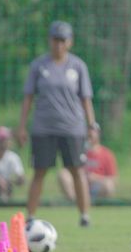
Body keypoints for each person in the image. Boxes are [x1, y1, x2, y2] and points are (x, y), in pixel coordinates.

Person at [18, 21, 97, 227]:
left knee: (77, 170)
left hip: (72, 127)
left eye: (63, 41)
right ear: (50, 41)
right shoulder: (39, 66)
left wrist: (92, 125)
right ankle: (31, 217)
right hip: (43, 128)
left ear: (69, 42)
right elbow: (28, 97)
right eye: (55, 40)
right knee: (40, 171)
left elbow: (86, 98)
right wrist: (21, 126)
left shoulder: (78, 66)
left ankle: (84, 215)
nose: (58, 45)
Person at [58, 127, 116, 200]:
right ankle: (74, 201)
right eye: (87, 132)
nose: (89, 134)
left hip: (96, 186)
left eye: (92, 132)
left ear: (98, 134)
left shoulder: (107, 154)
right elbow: (69, 170)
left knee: (109, 185)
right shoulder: (79, 151)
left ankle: (96, 202)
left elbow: (113, 179)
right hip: (79, 183)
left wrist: (95, 178)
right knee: (63, 174)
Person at [0, 126, 25, 202]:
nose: (6, 142)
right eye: (3, 140)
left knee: (7, 184)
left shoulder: (13, 157)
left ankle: (5, 201)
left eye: (8, 140)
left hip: (7, 187)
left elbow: (20, 176)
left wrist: (18, 180)